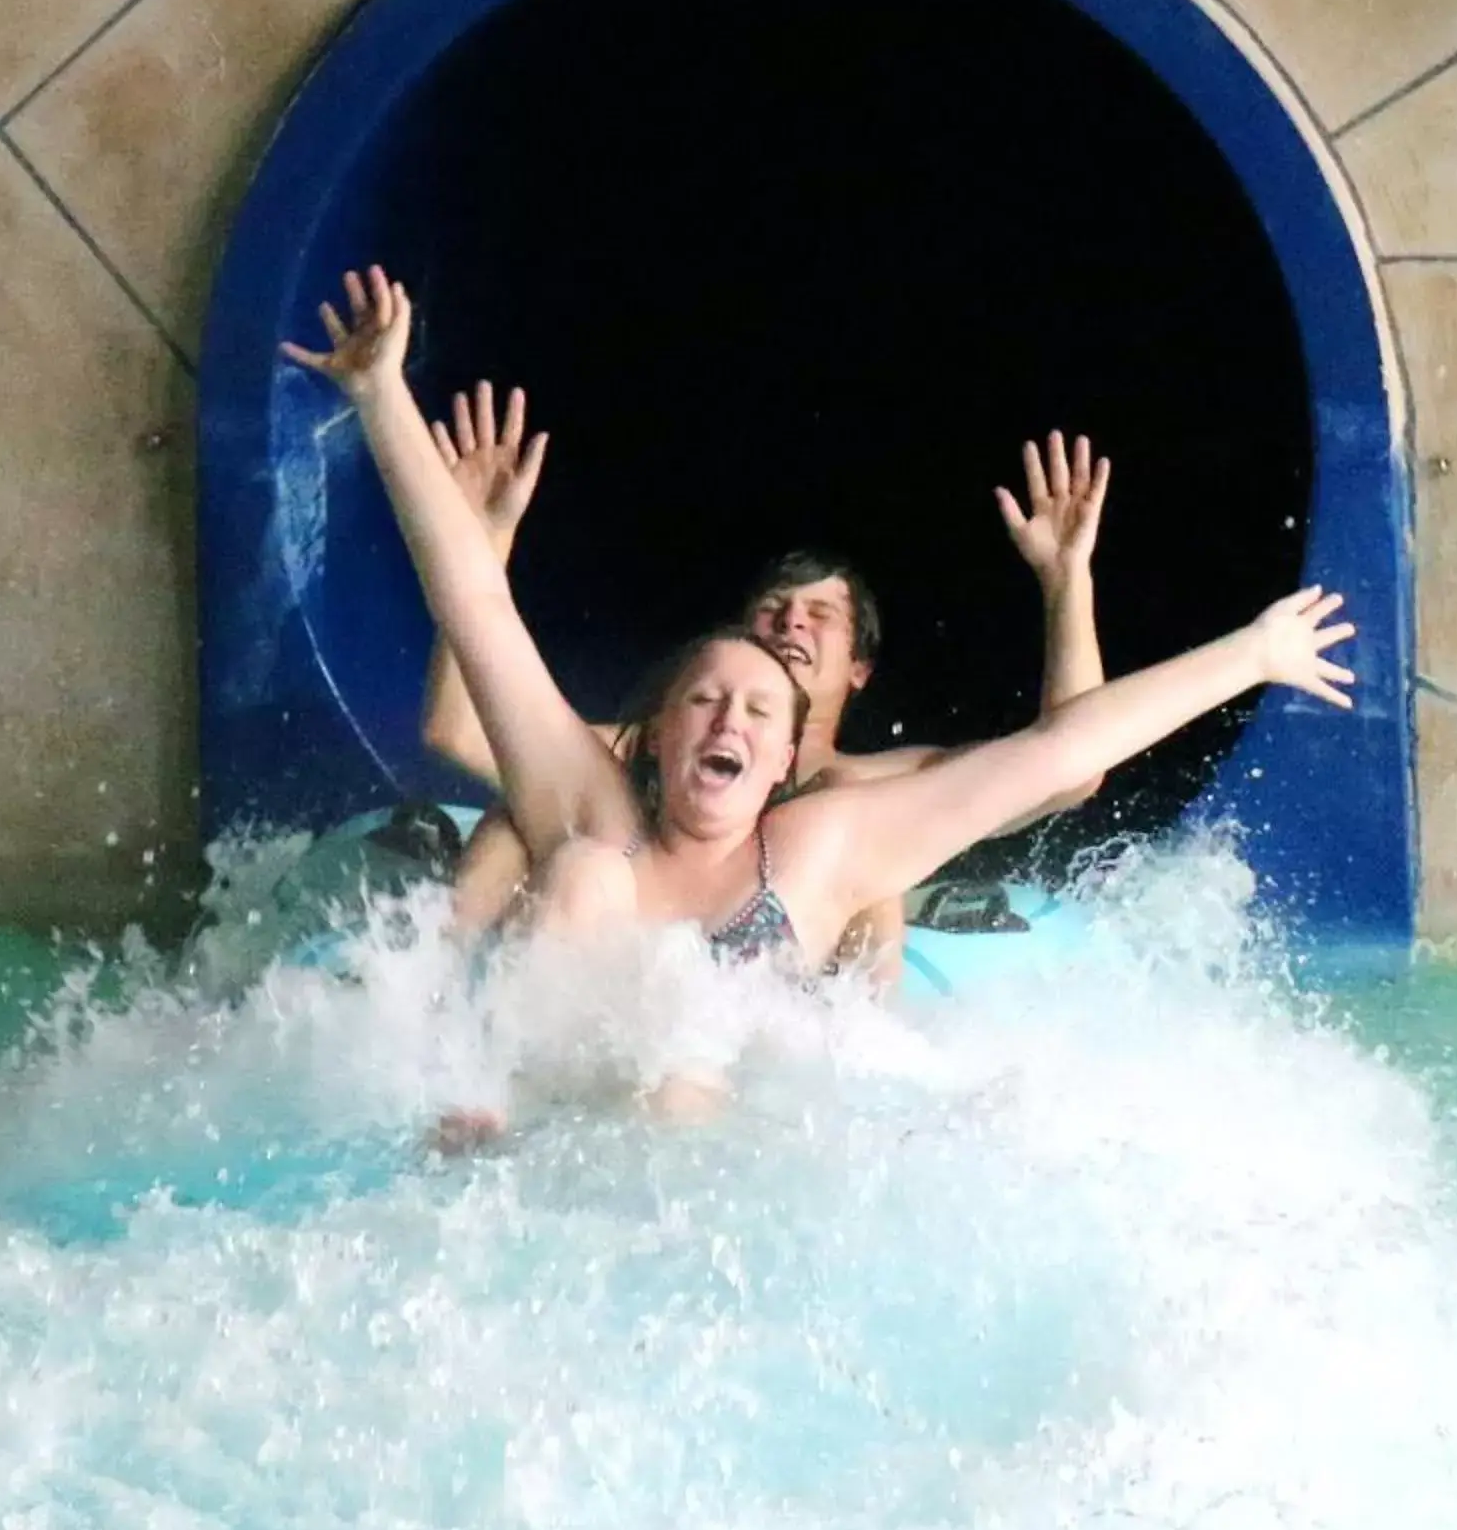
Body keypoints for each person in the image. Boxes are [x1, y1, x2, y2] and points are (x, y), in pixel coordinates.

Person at [281, 266, 1353, 1123]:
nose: (729, 717)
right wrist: (383, 399)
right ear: (652, 737)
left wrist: (1252, 652)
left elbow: (1059, 759)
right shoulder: (591, 809)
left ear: (786, 760)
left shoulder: (818, 848)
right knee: (578, 870)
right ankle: (482, 1100)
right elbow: (474, 605)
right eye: (704, 699)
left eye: (756, 709)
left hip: (706, 1147)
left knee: (684, 1072)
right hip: (545, 1110)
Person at [412, 380, 1116, 991]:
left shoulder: (871, 786)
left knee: (870, 869)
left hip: (778, 1007)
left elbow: (1070, 773)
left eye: (820, 617)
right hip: (612, 958)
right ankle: (442, 994)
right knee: (518, 818)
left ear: (859, 670)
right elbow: (458, 729)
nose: (790, 626)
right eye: (773, 612)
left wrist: (1066, 581)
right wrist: (484, 543)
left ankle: (855, 1057)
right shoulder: (643, 753)